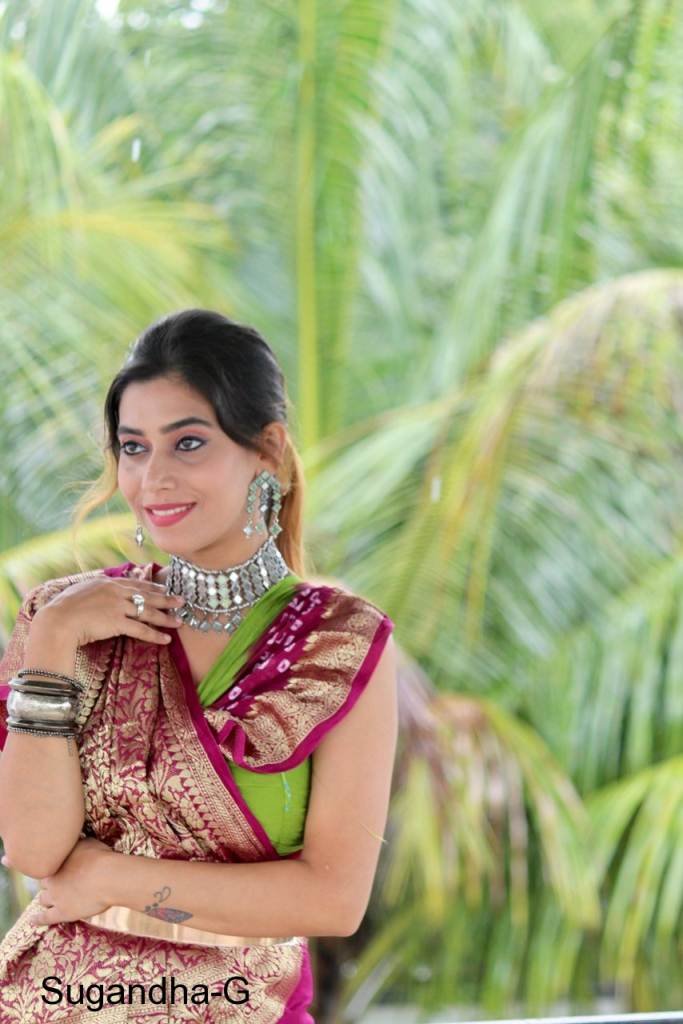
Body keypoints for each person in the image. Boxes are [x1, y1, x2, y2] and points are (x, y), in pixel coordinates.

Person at [0, 309, 398, 1023]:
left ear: (267, 451)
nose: (153, 478)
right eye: (133, 447)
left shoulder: (335, 642)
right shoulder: (69, 620)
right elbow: (34, 849)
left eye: (187, 443)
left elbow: (333, 899)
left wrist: (109, 877)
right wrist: (53, 645)